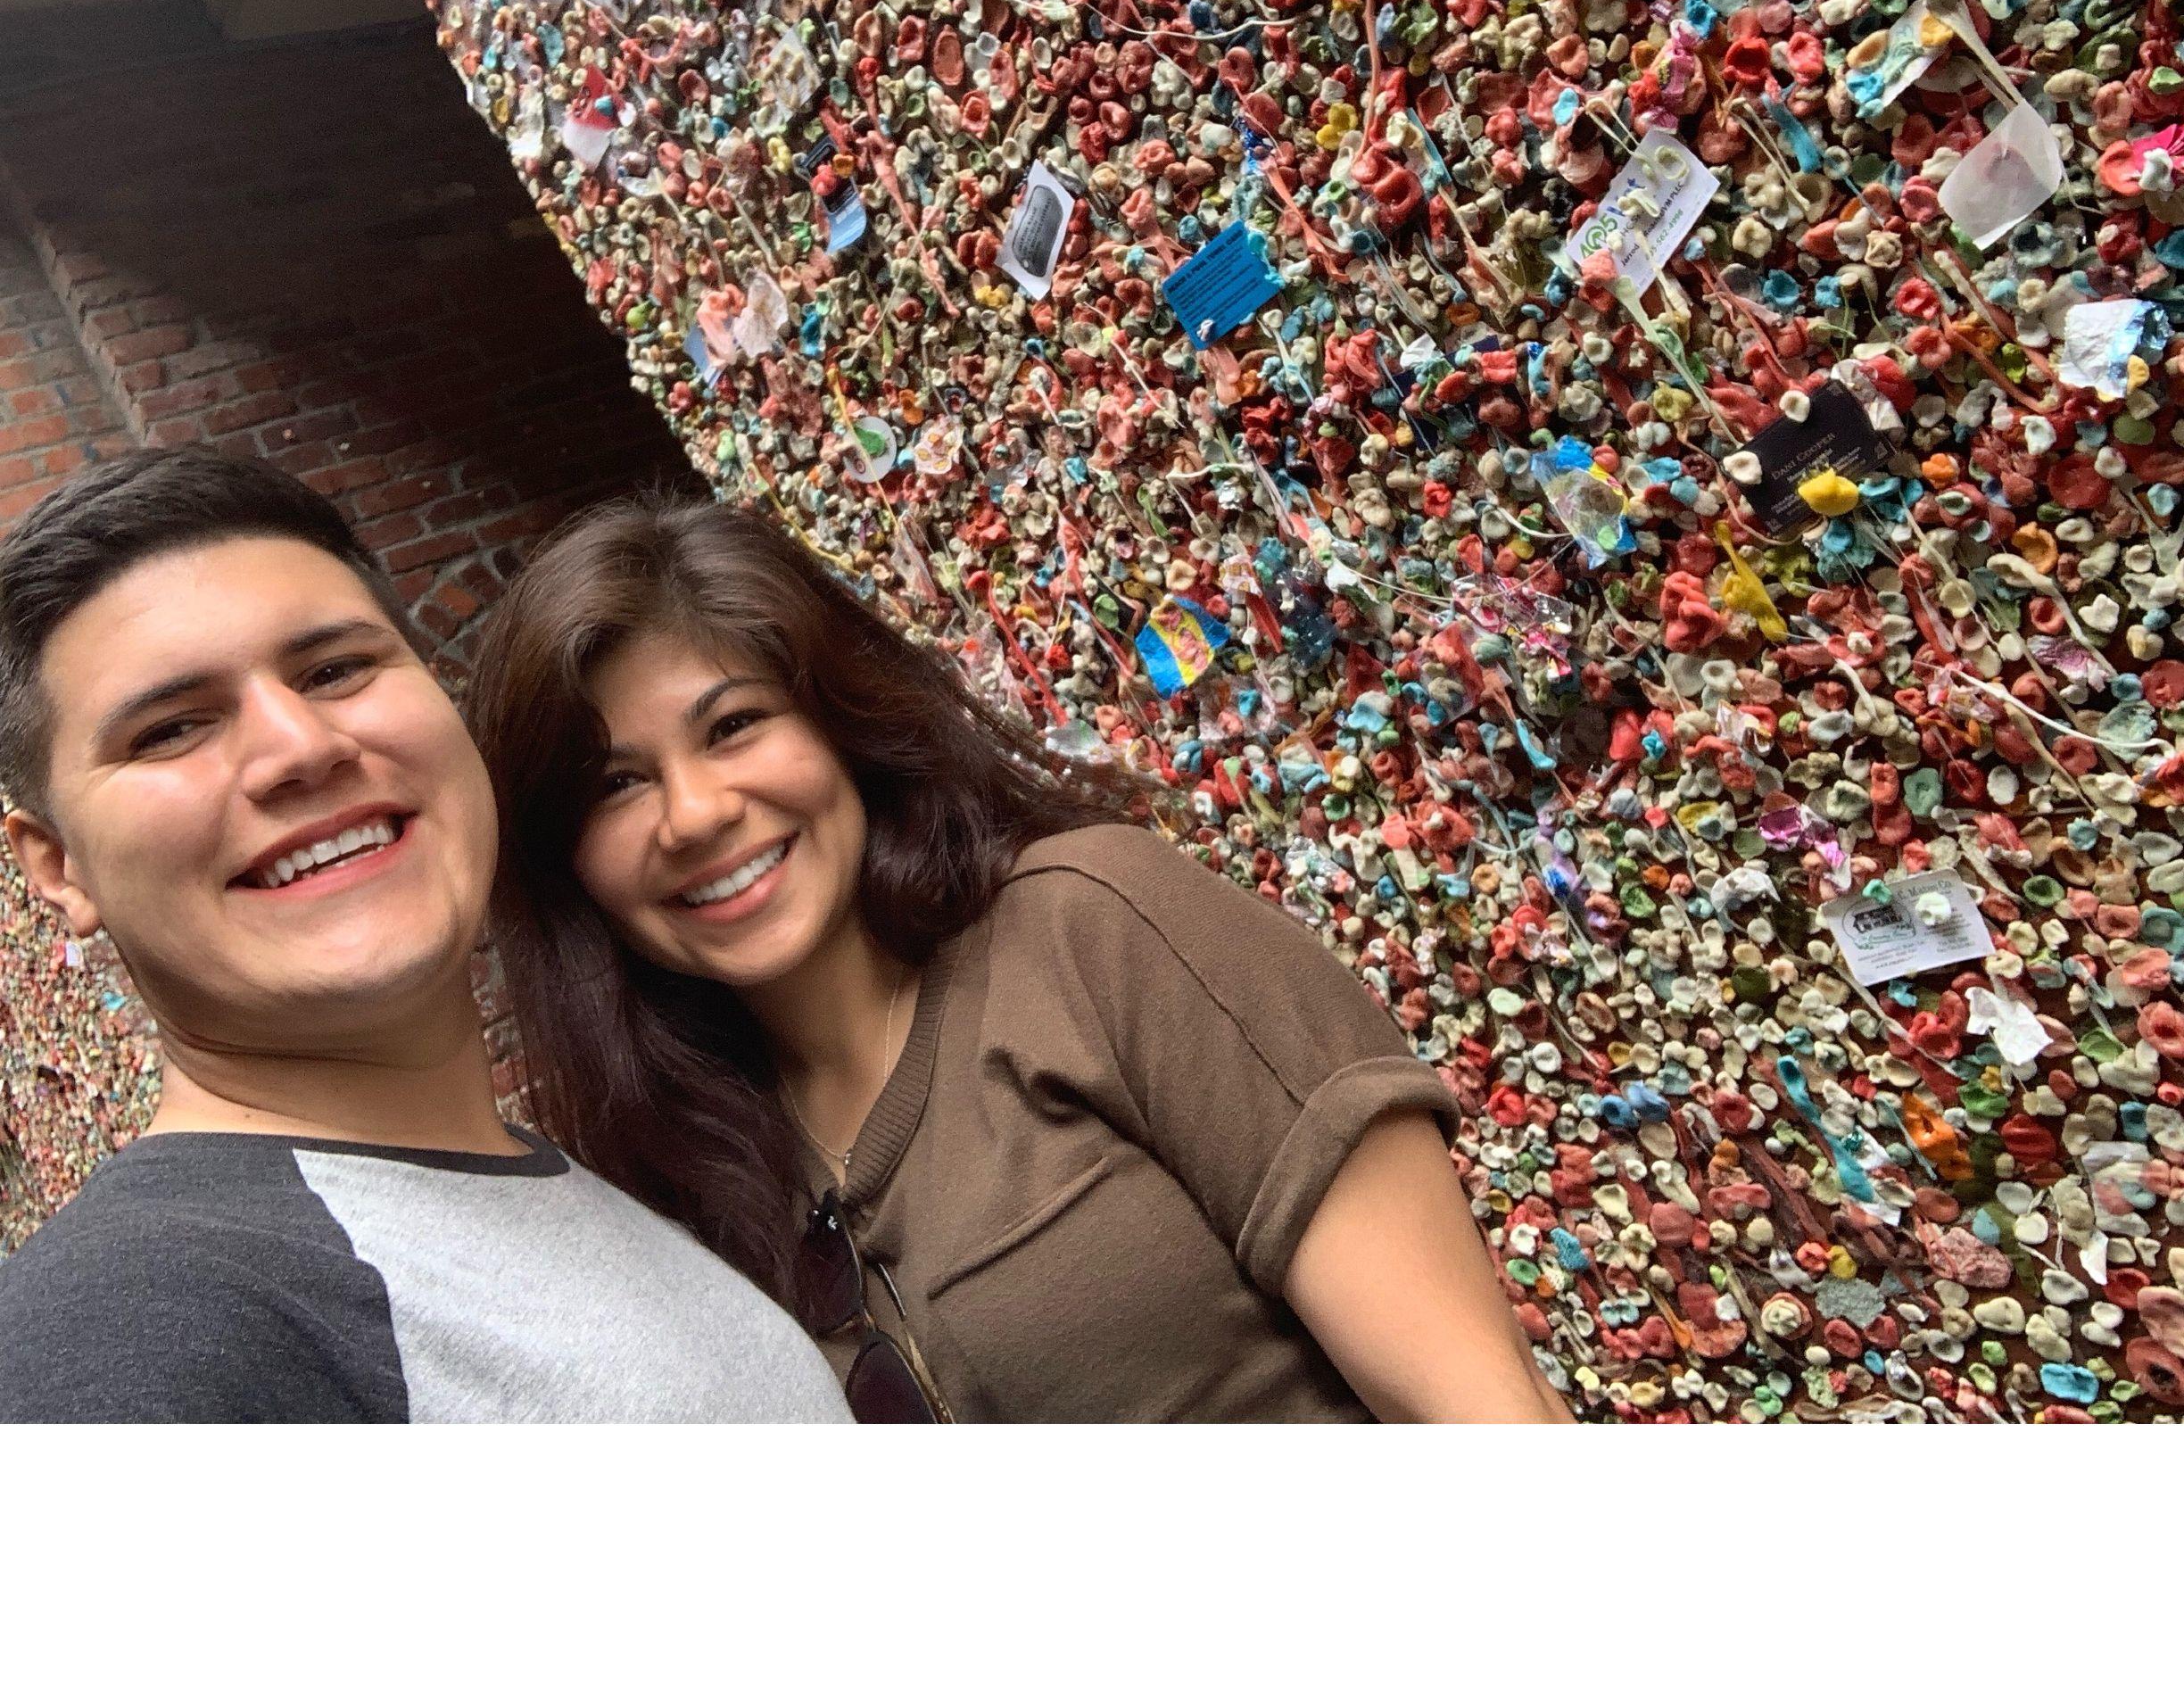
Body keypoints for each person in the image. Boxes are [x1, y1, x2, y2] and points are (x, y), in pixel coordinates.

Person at [466, 492, 1572, 1423]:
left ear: (841, 725)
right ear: (571, 872)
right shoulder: (688, 1172)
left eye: (735, 725)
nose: (696, 812)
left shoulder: (1094, 931)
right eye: (617, 784)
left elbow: (1490, 1421)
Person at [0, 451, 849, 1424]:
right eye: (170, 730)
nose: (303, 747)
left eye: (335, 669)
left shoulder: (580, 1177)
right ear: (58, 866)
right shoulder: (131, 1331)